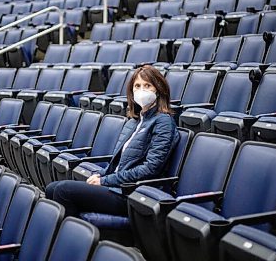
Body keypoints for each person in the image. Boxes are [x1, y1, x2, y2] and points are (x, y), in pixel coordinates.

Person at [46, 65, 179, 217]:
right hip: (117, 185)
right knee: (51, 189)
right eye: (137, 86)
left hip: (131, 193)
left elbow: (150, 169)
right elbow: (118, 164)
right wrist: (101, 175)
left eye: (147, 85)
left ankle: (81, 237)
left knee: (64, 191)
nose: (141, 90)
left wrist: (105, 181)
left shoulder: (163, 122)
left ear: (159, 89)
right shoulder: (133, 122)